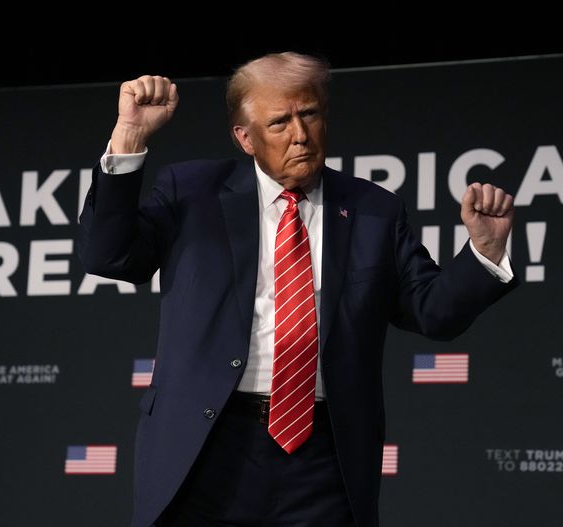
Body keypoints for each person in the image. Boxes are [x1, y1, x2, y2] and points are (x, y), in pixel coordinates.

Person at [78, 52, 517, 527]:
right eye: (279, 122)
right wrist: (130, 136)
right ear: (245, 138)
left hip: (323, 460)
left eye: (309, 114)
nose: (300, 135)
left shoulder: (374, 211)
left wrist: (484, 252)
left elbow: (433, 311)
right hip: (205, 447)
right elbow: (109, 255)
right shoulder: (192, 191)